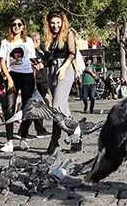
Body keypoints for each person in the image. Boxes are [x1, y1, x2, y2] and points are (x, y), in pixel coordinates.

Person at [0, 15, 39, 153]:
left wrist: (39, 69)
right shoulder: (5, 42)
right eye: (14, 24)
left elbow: (33, 60)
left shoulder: (28, 42)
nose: (16, 27)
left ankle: (23, 139)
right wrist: (8, 78)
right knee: (9, 108)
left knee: (27, 108)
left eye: (19, 24)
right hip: (12, 75)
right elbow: (2, 61)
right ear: (10, 26)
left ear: (23, 27)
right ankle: (9, 141)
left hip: (27, 76)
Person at [43, 9, 77, 154]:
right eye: (52, 23)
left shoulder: (69, 33)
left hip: (65, 69)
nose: (55, 26)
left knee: (56, 107)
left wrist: (63, 68)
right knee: (63, 108)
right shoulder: (50, 38)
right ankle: (75, 137)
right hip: (52, 71)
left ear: (63, 22)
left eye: (58, 23)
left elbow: (72, 53)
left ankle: (54, 141)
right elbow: (48, 57)